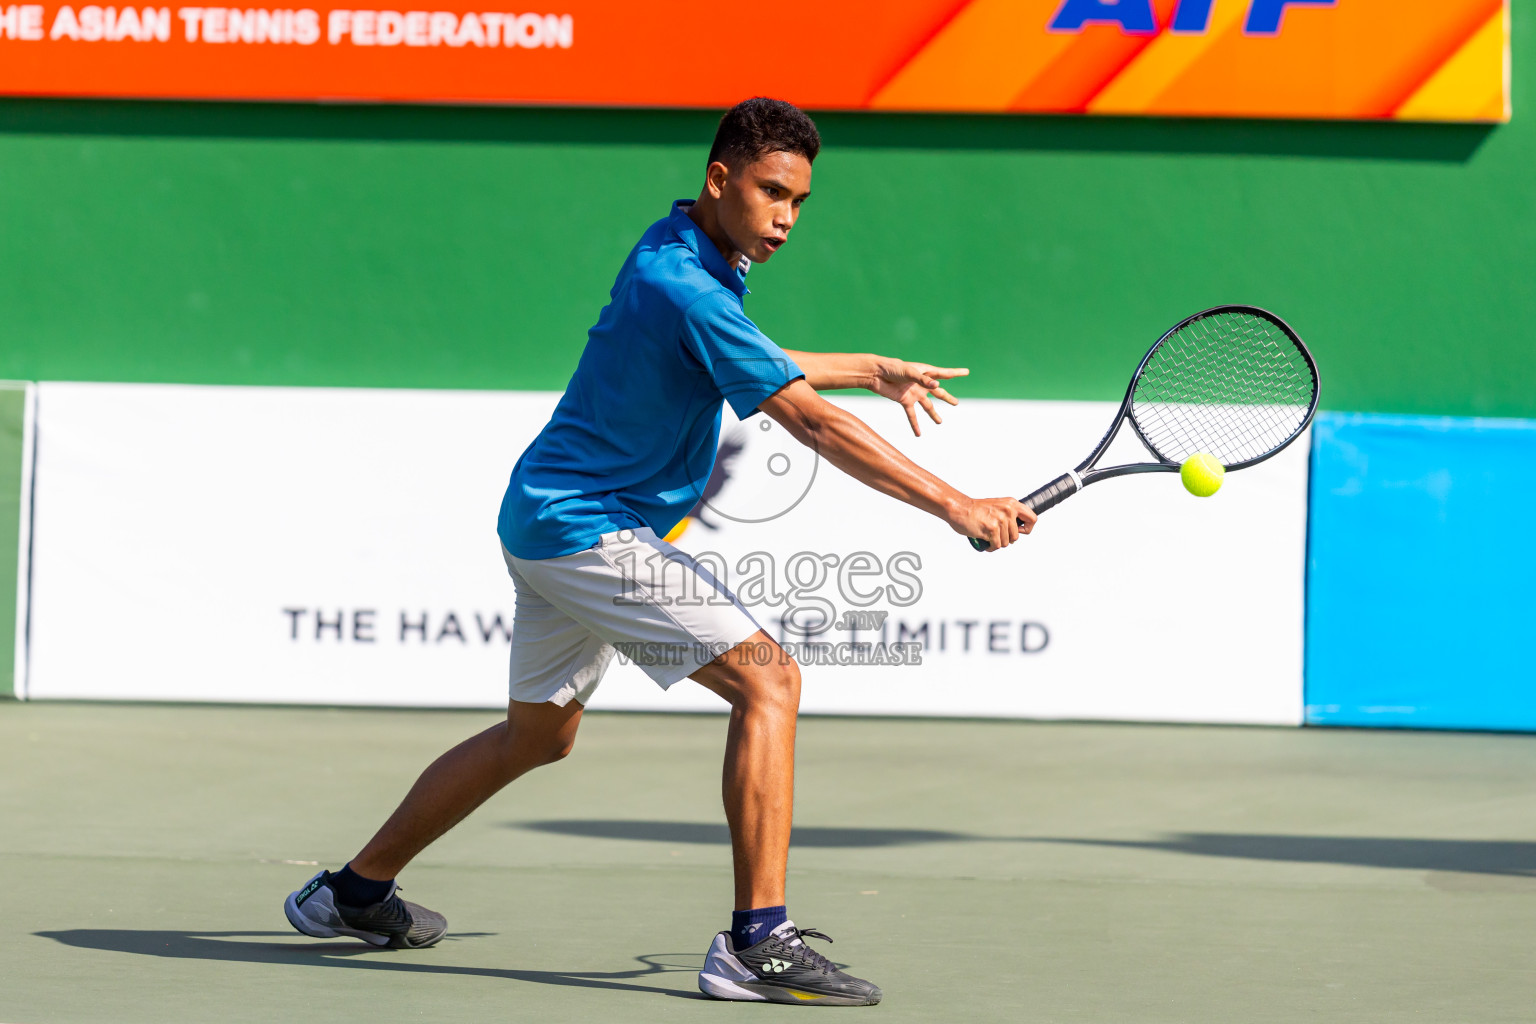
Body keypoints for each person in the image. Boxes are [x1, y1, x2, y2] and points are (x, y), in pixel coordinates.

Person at [283, 96, 1034, 1006]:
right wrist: (957, 504)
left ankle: (354, 892)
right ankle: (757, 941)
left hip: (545, 517)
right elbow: (809, 420)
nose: (787, 219)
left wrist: (874, 368)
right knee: (770, 679)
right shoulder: (687, 284)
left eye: (799, 201)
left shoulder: (686, 253)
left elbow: (748, 356)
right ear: (720, 180)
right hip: (587, 526)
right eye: (770, 193)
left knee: (537, 739)